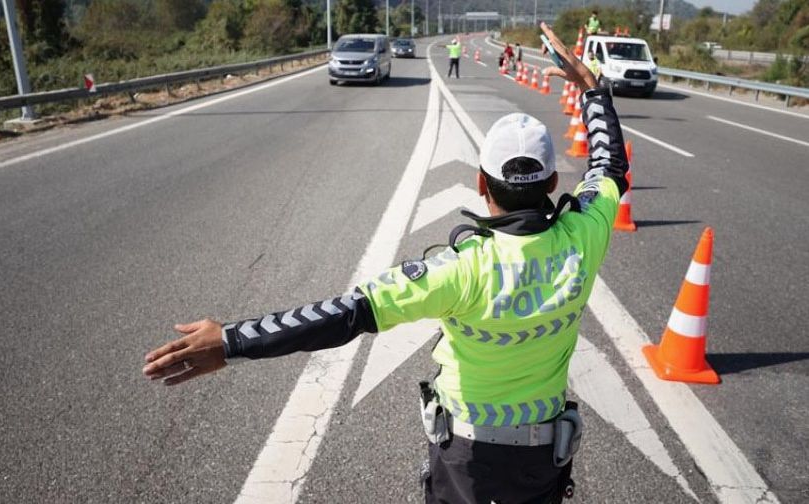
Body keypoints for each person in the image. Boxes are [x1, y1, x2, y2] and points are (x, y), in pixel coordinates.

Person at [142, 22, 628, 504]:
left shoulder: (460, 270)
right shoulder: (584, 235)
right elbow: (609, 167)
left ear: (482, 184)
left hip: (466, 462)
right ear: (550, 185)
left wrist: (230, 341)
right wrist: (592, 91)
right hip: (542, 461)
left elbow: (343, 314)